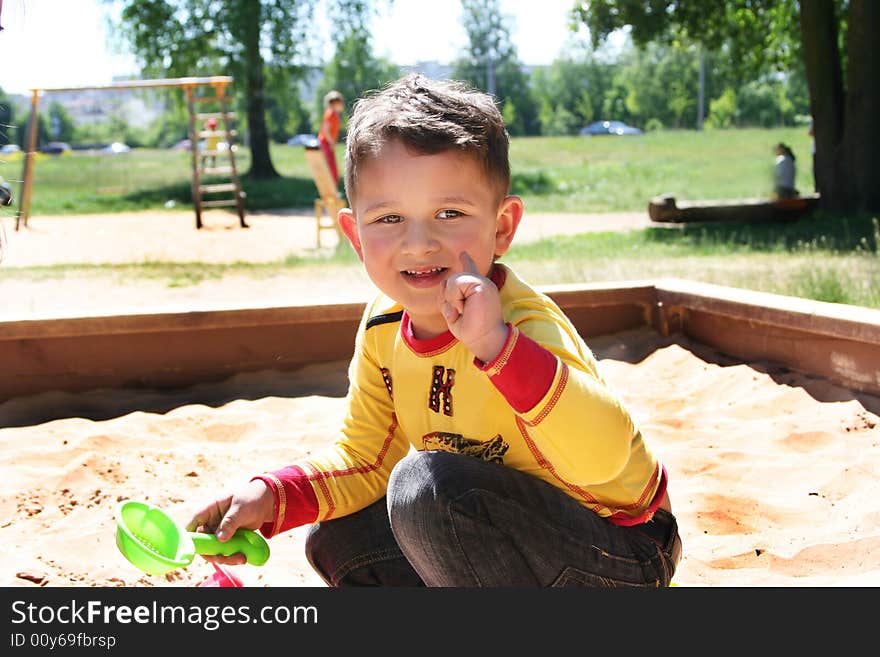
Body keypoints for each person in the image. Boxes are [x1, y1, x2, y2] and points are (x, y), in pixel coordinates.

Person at [186, 73, 681, 587]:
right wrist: (272, 497)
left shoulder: (521, 326)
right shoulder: (384, 327)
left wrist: (497, 348)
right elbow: (366, 459)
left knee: (426, 488)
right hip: (502, 542)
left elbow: (605, 458)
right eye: (389, 218)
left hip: (619, 549)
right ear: (356, 236)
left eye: (449, 213)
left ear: (502, 227)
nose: (419, 243)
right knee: (340, 538)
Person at [317, 90, 345, 184]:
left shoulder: (335, 114)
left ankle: (332, 187)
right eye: (340, 102)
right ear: (334, 103)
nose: (342, 104)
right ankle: (330, 187)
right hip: (325, 143)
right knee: (330, 167)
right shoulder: (330, 114)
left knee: (332, 167)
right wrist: (331, 142)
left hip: (328, 143)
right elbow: (325, 130)